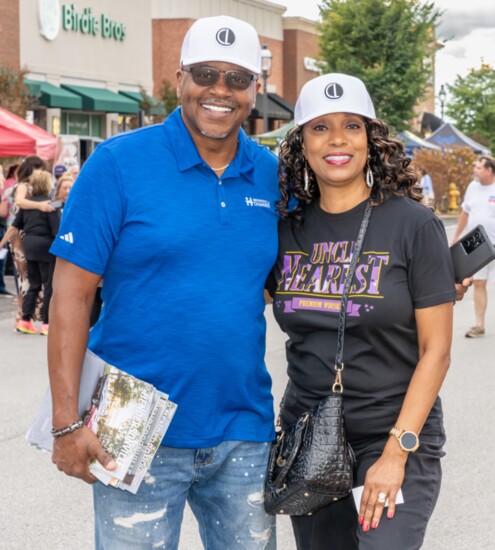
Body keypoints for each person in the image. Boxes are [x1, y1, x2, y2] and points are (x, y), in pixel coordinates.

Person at [47, 15, 278, 550]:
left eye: (237, 78)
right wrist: (65, 423)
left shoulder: (271, 174)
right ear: (179, 80)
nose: (220, 90)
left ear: (256, 90)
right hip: (131, 426)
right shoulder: (117, 163)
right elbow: (70, 296)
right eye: (205, 73)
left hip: (244, 428)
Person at [267, 73, 456, 550]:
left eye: (351, 126)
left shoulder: (414, 224)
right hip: (309, 436)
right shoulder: (284, 230)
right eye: (319, 127)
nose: (336, 139)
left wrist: (396, 452)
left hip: (392, 432)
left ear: (370, 139)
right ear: (301, 143)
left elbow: (437, 352)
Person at [1, 170, 60, 335]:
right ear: (48, 185)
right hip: (46, 249)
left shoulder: (26, 206)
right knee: (48, 286)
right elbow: (57, 231)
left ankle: (25, 320)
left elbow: (14, 226)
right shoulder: (51, 206)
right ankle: (46, 323)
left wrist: (2, 243)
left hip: (29, 247)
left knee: (33, 285)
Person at [452, 155, 495, 338]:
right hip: (479, 244)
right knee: (478, 282)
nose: (474, 170)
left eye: (478, 167)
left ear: (489, 170)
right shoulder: (472, 187)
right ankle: (479, 325)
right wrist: (456, 235)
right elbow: (465, 212)